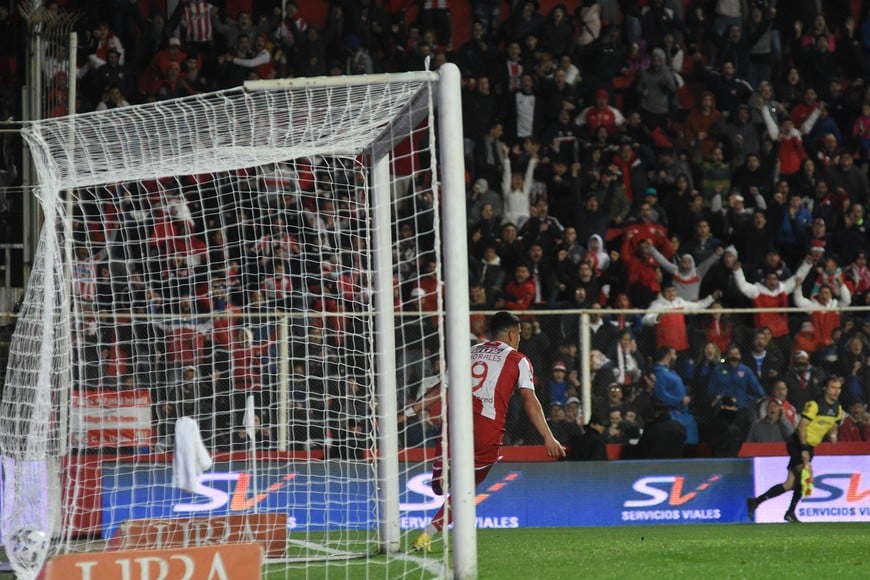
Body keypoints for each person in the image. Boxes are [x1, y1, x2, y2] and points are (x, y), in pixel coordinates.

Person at [413, 311, 565, 552]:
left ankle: (441, 477)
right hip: (487, 425)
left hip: (455, 420)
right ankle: (427, 534)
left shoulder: (470, 351)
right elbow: (529, 400)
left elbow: (440, 387)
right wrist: (548, 436)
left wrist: (410, 411)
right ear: (513, 335)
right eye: (519, 337)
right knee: (467, 487)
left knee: (443, 484)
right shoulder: (519, 359)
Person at [747, 377, 844, 523]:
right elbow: (802, 427)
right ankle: (790, 512)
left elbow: (834, 427)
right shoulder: (815, 405)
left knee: (790, 484)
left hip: (810, 446)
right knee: (806, 475)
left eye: (838, 388)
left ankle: (756, 501)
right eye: (833, 387)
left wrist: (833, 436)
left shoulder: (838, 409)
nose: (836, 391)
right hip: (798, 443)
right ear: (825, 388)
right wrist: (804, 449)